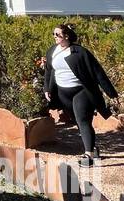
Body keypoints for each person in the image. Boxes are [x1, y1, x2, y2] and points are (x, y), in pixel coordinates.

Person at [43, 22, 117, 166]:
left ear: (66, 36)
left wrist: (111, 93)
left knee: (83, 119)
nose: (55, 37)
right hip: (63, 93)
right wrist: (47, 89)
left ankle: (88, 154)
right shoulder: (52, 51)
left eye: (57, 34)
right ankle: (93, 148)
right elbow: (49, 71)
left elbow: (97, 72)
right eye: (53, 34)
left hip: (81, 91)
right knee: (78, 121)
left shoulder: (79, 52)